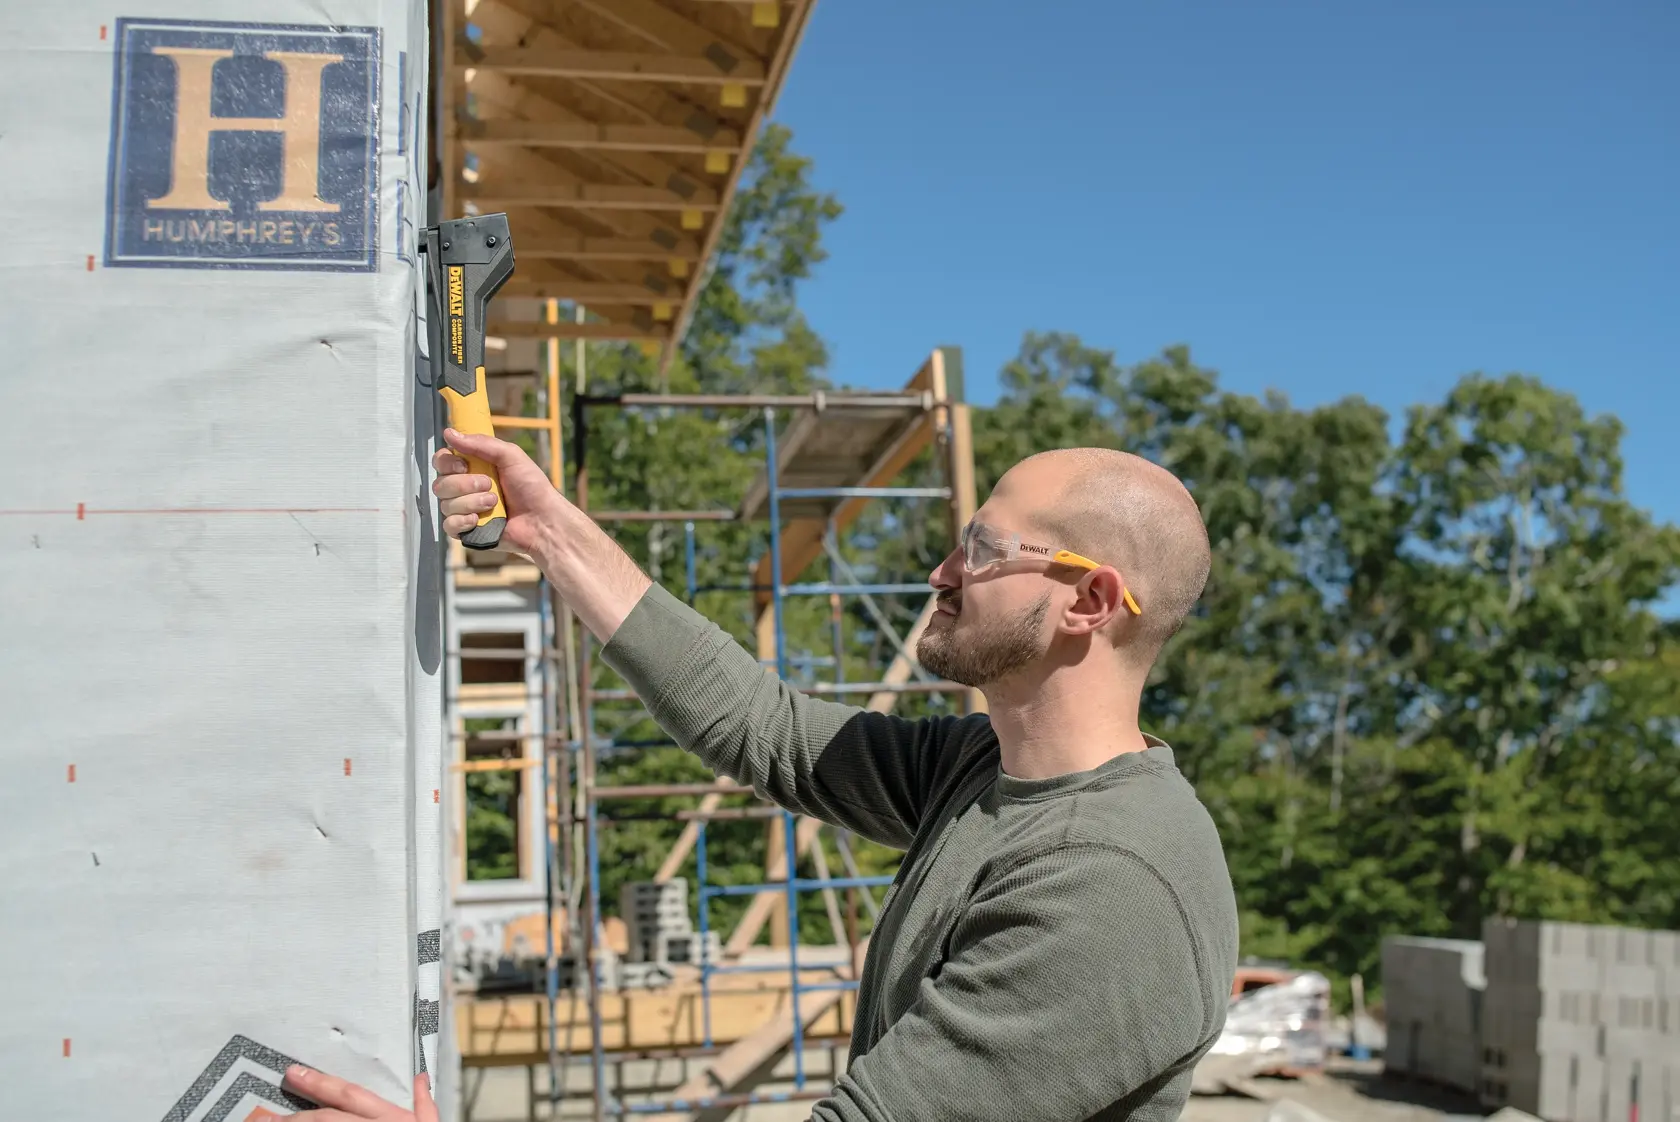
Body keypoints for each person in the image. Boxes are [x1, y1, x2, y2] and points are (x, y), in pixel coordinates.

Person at [287, 426, 1239, 1122]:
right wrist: (550, 534)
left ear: (1091, 602)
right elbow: (765, 729)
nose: (944, 572)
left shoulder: (1110, 883)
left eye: (984, 549)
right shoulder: (980, 769)